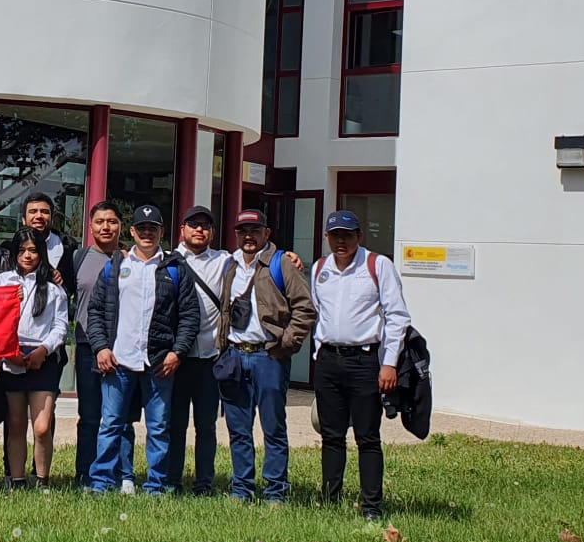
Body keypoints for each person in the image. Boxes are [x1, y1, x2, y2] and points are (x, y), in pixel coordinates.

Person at [85, 204, 198, 495]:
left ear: (162, 232)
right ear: (132, 232)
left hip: (159, 362)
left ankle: (156, 486)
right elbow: (96, 310)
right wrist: (100, 347)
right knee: (111, 424)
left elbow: (189, 315)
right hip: (118, 360)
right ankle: (101, 482)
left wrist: (177, 352)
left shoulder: (175, 269)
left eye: (154, 229)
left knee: (159, 427)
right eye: (142, 229)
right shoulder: (116, 265)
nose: (147, 234)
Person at [310, 209, 412, 521]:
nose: (341, 241)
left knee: (367, 437)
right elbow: (318, 314)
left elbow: (397, 317)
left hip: (365, 361)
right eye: (335, 235)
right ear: (327, 238)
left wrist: (389, 363)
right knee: (331, 435)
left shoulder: (377, 265)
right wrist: (318, 353)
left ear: (359, 236)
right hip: (329, 361)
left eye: (348, 235)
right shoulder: (319, 269)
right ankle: (330, 500)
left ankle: (371, 508)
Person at [222, 208, 317, 504]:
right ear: (236, 234)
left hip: (268, 357)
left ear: (267, 233)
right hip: (235, 355)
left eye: (254, 231)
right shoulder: (229, 265)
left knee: (273, 428)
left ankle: (276, 491)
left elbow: (305, 309)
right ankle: (241, 490)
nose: (248, 236)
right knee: (238, 429)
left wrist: (285, 344)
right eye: (242, 231)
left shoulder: (282, 264)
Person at [161, 205, 236, 495]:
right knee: (175, 425)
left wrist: (285, 254)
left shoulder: (224, 260)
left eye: (205, 225)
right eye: (193, 225)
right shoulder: (169, 261)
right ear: (182, 230)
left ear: (212, 232)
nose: (199, 230)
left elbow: (256, 257)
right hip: (177, 357)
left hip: (210, 358)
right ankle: (171, 481)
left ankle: (204, 483)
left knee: (206, 427)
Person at [0, 228, 68, 490]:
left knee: (41, 426)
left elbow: (61, 327)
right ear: (14, 253)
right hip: (10, 356)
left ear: (42, 253)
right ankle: (16, 480)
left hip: (43, 358)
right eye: (22, 250)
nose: (28, 255)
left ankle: (42, 481)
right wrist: (7, 352)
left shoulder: (53, 288)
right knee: (15, 424)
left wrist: (43, 351)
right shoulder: (0, 281)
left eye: (34, 250)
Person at [68, 200, 123, 488]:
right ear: (90, 227)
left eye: (111, 221)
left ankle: (119, 476)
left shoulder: (130, 258)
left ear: (120, 226)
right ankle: (85, 474)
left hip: (121, 350)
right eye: (100, 221)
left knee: (119, 419)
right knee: (89, 416)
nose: (106, 226)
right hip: (88, 346)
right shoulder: (79, 257)